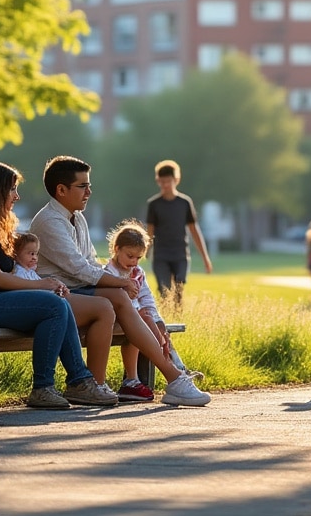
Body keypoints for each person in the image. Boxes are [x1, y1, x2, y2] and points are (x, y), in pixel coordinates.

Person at [0, 160, 117, 409]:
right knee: (53, 305)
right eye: (11, 190)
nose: (16, 196)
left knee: (57, 303)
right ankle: (50, 386)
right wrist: (43, 287)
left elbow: (9, 274)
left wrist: (46, 284)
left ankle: (76, 382)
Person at [33, 155, 212, 406]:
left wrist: (122, 286)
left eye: (89, 185)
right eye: (82, 186)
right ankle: (171, 377)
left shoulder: (77, 218)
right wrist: (121, 282)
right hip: (58, 297)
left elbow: (90, 262)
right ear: (61, 190)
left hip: (80, 291)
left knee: (122, 304)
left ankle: (98, 383)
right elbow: (78, 268)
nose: (89, 191)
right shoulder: (50, 221)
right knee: (113, 300)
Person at [103, 219, 199, 402]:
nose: (134, 262)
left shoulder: (137, 272)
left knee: (148, 318)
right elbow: (114, 301)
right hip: (115, 317)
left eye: (138, 258)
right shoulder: (109, 274)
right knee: (143, 319)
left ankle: (136, 379)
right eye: (130, 256)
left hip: (137, 319)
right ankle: (173, 370)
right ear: (116, 249)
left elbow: (147, 299)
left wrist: (159, 321)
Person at [11, 231, 117, 387]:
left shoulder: (31, 273)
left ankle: (88, 380)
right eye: (29, 253)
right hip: (34, 313)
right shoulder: (19, 273)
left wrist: (58, 290)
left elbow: (42, 290)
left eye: (36, 254)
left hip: (44, 310)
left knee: (67, 307)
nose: (34, 257)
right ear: (15, 254)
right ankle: (78, 380)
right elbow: (31, 294)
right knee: (64, 310)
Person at [145, 159, 214, 306]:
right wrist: (145, 251)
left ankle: (177, 319)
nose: (165, 185)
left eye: (168, 181)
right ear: (157, 181)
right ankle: (163, 323)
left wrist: (205, 257)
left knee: (178, 291)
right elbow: (150, 231)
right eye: (161, 182)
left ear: (176, 180)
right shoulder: (154, 205)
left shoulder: (184, 203)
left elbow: (194, 231)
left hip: (180, 255)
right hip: (161, 255)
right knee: (164, 290)